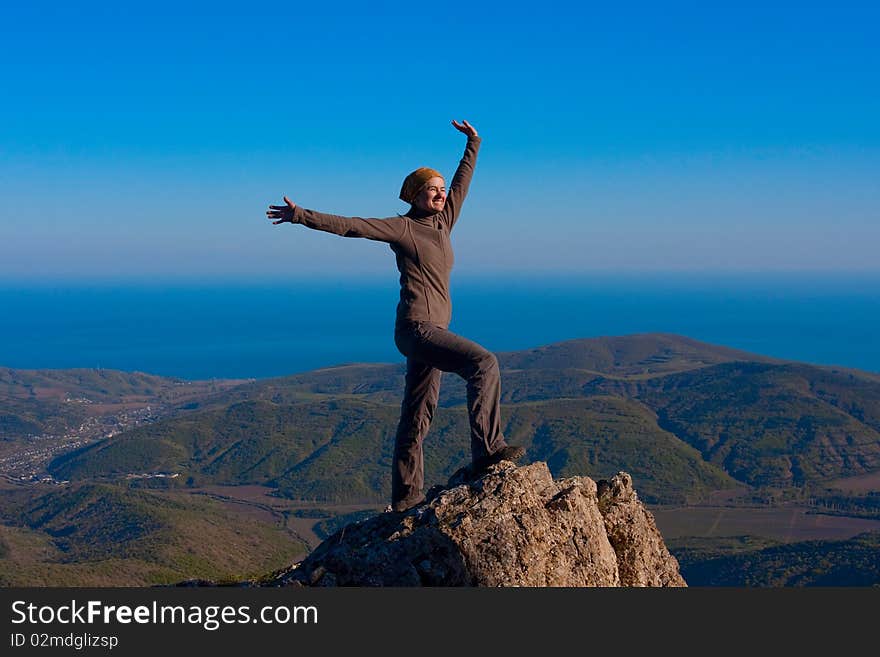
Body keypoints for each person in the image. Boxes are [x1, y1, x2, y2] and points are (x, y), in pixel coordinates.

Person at [266, 119, 524, 513]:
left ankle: (406, 499)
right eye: (431, 190)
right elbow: (353, 227)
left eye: (440, 190)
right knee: (484, 363)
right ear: (415, 195)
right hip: (416, 329)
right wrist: (301, 215)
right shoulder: (403, 228)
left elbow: (462, 183)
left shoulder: (444, 222)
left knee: (418, 416)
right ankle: (488, 452)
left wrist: (474, 142)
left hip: (433, 331)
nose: (440, 194)